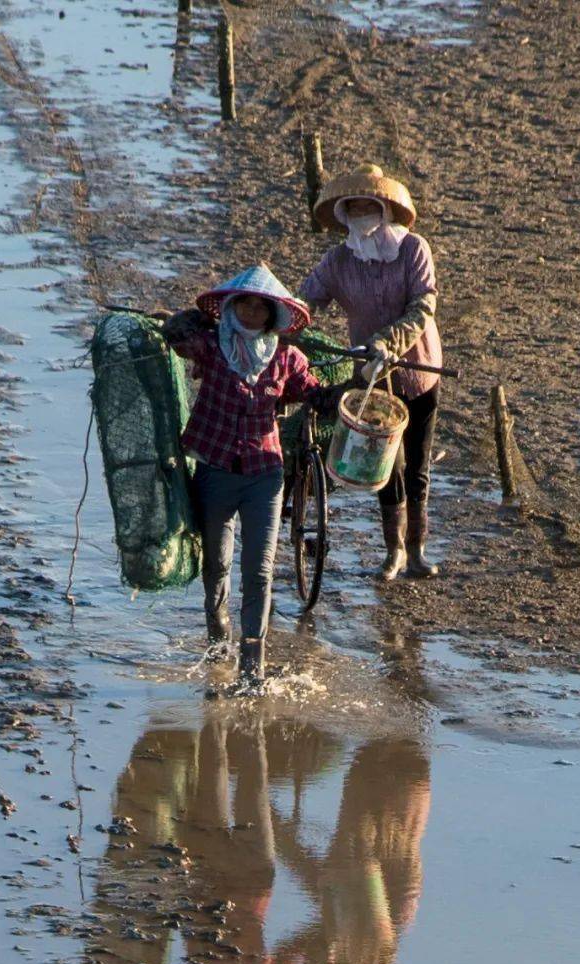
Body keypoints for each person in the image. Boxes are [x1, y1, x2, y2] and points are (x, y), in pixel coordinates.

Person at [161, 265, 330, 686]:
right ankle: (219, 642)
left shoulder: (287, 357)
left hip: (264, 475)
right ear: (232, 308)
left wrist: (353, 384)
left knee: (259, 570)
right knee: (216, 566)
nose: (254, 312)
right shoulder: (211, 348)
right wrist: (187, 321)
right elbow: (174, 336)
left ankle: (252, 666)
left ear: (274, 315)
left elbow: (314, 393)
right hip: (216, 472)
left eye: (262, 307)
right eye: (246, 304)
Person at [299, 163, 443, 580]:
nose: (362, 211)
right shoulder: (338, 261)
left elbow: (423, 307)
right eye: (354, 206)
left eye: (369, 204)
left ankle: (416, 550)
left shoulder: (414, 249)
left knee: (416, 464)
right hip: (372, 379)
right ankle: (393, 551)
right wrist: (276, 321)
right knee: (386, 462)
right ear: (344, 213)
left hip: (419, 372)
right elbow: (307, 302)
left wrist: (388, 341)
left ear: (384, 208)